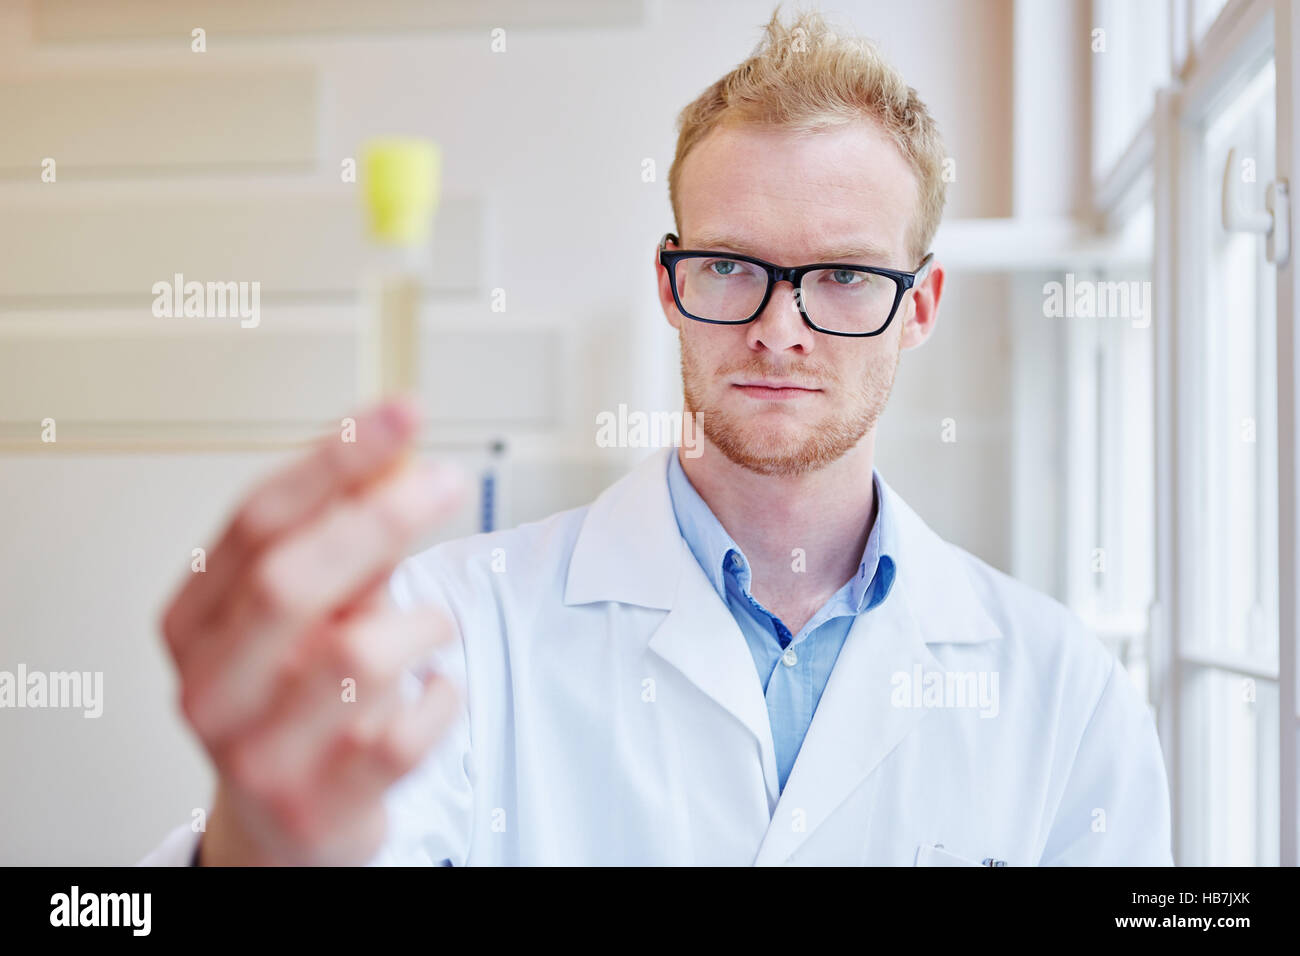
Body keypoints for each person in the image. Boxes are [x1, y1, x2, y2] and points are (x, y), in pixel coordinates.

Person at [140, 7, 1172, 866]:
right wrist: (254, 841)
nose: (779, 326)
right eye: (730, 266)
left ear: (920, 303)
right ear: (668, 286)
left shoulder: (1064, 691)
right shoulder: (449, 631)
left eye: (844, 275)